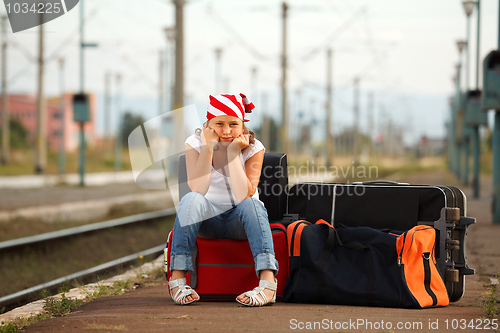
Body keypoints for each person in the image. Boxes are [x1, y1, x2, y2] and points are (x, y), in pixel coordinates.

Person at [168, 93, 278, 307]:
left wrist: (233, 154)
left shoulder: (255, 148)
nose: (226, 131)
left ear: (242, 125)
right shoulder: (194, 143)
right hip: (207, 222)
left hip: (241, 222)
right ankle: (178, 279)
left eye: (233, 124)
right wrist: (208, 148)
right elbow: (198, 188)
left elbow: (243, 194)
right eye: (219, 123)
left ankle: (267, 284)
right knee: (190, 199)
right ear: (208, 124)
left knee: (252, 203)